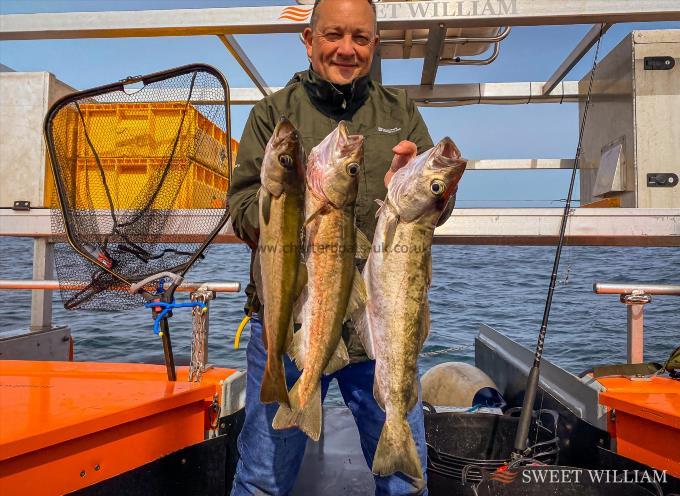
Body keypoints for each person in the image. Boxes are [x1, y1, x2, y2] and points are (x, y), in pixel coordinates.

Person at [228, 0, 455, 494]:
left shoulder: (400, 113)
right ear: (309, 41)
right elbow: (243, 211)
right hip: (290, 319)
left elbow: (435, 210)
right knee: (263, 477)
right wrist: (288, 201)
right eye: (333, 35)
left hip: (379, 326)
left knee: (404, 480)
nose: (346, 49)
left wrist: (420, 190)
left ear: (374, 45)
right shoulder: (272, 115)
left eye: (360, 38)